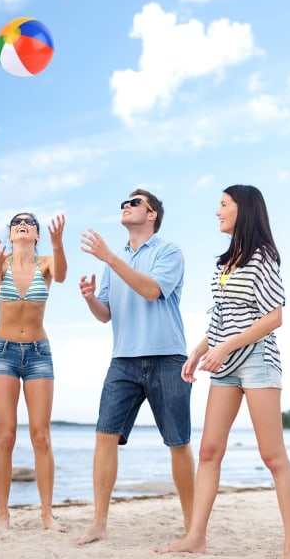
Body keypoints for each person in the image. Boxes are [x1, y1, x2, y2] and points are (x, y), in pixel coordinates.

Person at [156, 185, 290, 558]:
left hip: (256, 362)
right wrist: (198, 351)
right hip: (224, 364)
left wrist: (224, 347)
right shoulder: (226, 261)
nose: (217, 212)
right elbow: (222, 318)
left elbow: (274, 317)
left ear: (244, 210)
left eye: (223, 205)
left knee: (272, 456)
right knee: (208, 450)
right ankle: (196, 537)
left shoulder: (263, 257)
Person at [76, 189, 195, 546]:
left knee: (178, 442)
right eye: (123, 203)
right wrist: (90, 299)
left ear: (152, 214)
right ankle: (98, 523)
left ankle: (193, 524)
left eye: (134, 203)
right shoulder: (115, 260)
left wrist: (110, 258)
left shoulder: (168, 251)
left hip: (167, 357)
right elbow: (106, 314)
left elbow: (152, 291)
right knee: (104, 436)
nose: (126, 206)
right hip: (123, 360)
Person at [0, 212, 67, 531]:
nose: (23, 224)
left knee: (41, 435)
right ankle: (2, 515)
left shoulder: (45, 262)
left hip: (38, 354)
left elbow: (60, 276)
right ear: (10, 234)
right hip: (3, 352)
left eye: (30, 222)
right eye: (17, 222)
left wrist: (58, 243)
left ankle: (47, 514)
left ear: (36, 235)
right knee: (5, 434)